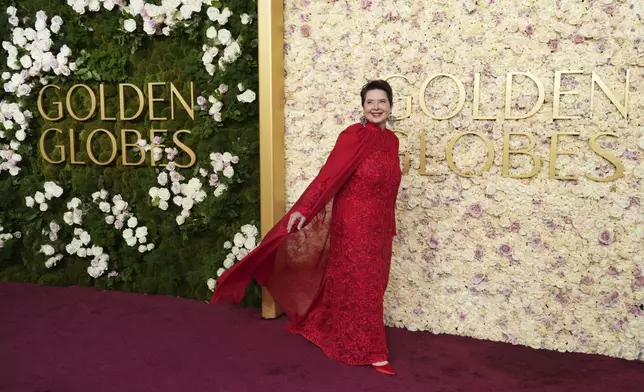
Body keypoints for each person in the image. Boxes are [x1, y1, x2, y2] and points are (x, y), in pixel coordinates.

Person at [211, 80, 402, 376]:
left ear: (391, 106)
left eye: (382, 102)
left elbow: (388, 187)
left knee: (373, 285)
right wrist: (304, 209)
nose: (376, 107)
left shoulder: (392, 141)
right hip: (352, 223)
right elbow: (327, 177)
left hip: (379, 227)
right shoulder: (353, 136)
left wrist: (388, 224)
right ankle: (372, 351)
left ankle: (339, 329)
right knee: (360, 283)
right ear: (362, 107)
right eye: (370, 102)